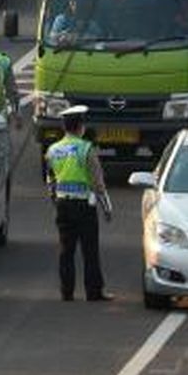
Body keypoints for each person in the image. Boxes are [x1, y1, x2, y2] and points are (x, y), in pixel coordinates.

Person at [44, 106, 113, 302]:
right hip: (84, 206)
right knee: (90, 250)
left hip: (63, 205)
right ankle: (94, 292)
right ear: (81, 127)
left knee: (66, 251)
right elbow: (98, 183)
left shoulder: (52, 150)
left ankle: (67, 292)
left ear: (64, 127)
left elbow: (50, 179)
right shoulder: (86, 149)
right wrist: (107, 208)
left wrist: (55, 200)